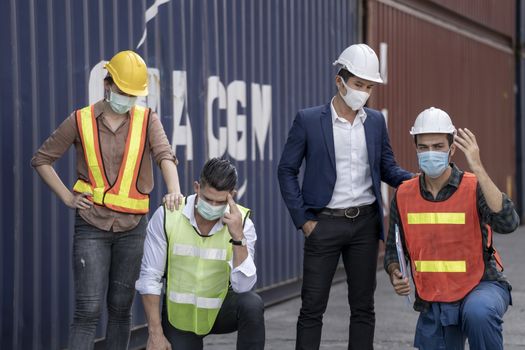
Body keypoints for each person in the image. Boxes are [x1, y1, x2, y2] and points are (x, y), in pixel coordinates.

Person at [31, 50, 183, 349]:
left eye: (134, 94)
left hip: (133, 228)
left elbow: (165, 155)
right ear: (107, 84)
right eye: (123, 91)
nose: (128, 99)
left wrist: (174, 188)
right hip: (92, 226)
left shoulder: (146, 119)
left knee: (120, 309)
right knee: (87, 311)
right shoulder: (81, 120)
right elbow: (41, 159)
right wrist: (67, 196)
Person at [277, 43, 412, 350]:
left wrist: (419, 181)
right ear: (340, 81)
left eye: (368, 86)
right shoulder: (309, 120)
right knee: (312, 308)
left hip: (364, 225)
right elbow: (286, 170)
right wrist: (304, 221)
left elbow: (388, 168)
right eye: (358, 84)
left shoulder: (376, 122)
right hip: (323, 225)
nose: (363, 92)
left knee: (363, 308)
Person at [384, 107, 519, 350]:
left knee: (479, 313)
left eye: (438, 146)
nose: (430, 153)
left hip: (481, 285)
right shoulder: (404, 194)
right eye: (423, 147)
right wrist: (395, 273)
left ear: (452, 149)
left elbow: (508, 223)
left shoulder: (474, 186)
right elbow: (394, 251)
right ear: (415, 148)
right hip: (434, 297)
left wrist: (478, 167)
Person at [135, 158, 265, 350]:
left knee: (252, 304)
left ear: (232, 195)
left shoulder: (242, 223)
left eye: (219, 202)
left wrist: (238, 237)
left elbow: (243, 286)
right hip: (180, 316)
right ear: (197, 187)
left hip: (220, 310)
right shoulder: (168, 216)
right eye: (207, 199)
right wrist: (155, 334)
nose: (212, 206)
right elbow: (150, 278)